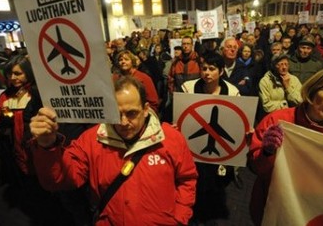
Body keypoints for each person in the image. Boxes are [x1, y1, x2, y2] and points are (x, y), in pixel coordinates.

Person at [30, 76, 198, 225]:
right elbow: (61, 179)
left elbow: (187, 179)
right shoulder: (91, 140)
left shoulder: (171, 138)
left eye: (131, 113)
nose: (123, 122)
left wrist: (179, 217)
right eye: (117, 114)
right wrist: (47, 146)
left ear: (146, 109)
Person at [248, 67, 323, 226]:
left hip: (321, 215)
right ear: (313, 90)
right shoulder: (278, 120)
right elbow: (256, 168)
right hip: (276, 207)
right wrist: (267, 152)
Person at [181, 52, 254, 225]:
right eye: (204, 68)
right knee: (195, 180)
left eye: (212, 69)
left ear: (221, 71)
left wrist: (245, 131)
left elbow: (237, 120)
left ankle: (209, 213)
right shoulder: (188, 88)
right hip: (193, 148)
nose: (207, 72)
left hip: (221, 150)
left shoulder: (232, 91)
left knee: (216, 183)